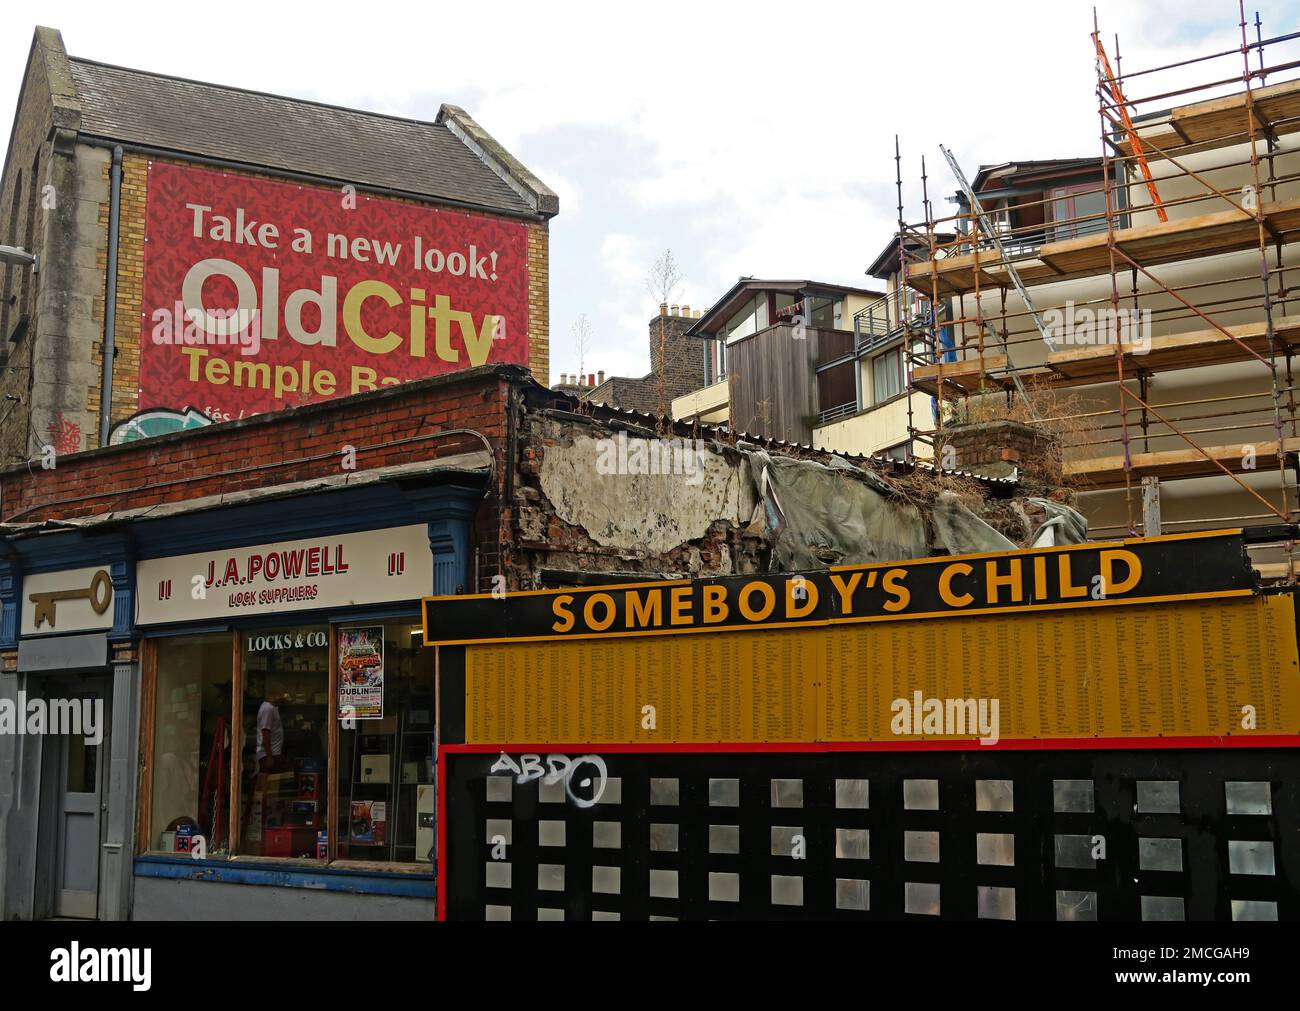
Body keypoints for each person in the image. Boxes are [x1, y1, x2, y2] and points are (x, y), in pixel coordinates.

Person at [256, 682, 286, 773]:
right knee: (269, 783)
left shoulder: (272, 708)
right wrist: (269, 756)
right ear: (276, 695)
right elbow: (265, 733)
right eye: (281, 696)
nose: (282, 699)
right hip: (269, 755)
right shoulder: (268, 709)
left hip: (273, 753)